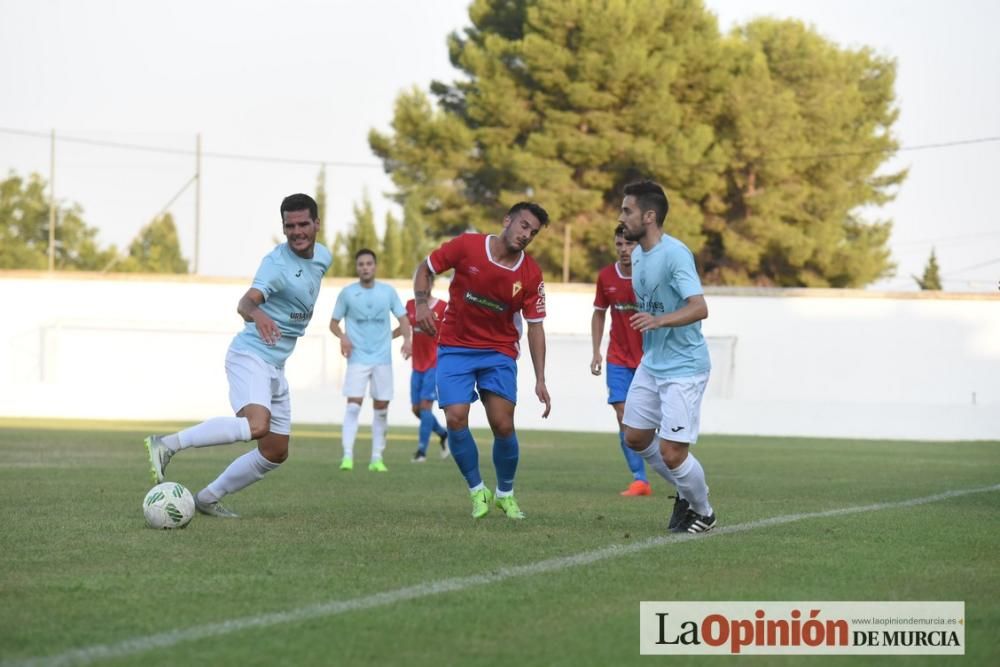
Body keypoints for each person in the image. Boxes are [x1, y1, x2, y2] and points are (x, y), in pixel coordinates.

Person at [144, 193, 331, 518]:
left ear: (317, 224)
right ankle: (166, 444)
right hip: (250, 356)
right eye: (290, 226)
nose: (297, 232)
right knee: (257, 425)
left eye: (303, 224)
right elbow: (245, 304)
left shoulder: (323, 258)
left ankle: (207, 497)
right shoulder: (276, 266)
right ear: (283, 228)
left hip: (275, 365)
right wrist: (258, 315)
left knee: (275, 452)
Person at [413, 202, 551, 520]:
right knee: (456, 418)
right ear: (507, 221)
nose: (527, 234)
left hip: (498, 351)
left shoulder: (531, 274)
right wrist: (422, 304)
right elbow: (426, 267)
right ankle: (478, 491)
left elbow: (536, 326)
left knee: (502, 424)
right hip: (455, 346)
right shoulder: (468, 246)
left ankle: (505, 493)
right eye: (523, 225)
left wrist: (540, 377)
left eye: (533, 231)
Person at [618, 180, 716, 534]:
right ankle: (686, 491)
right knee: (636, 438)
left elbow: (699, 307)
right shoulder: (639, 255)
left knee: (674, 453)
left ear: (649, 216)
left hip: (684, 368)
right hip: (652, 363)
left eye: (627, 210)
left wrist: (659, 320)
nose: (621, 217)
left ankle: (703, 510)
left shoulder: (675, 254)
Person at [329, 249, 412, 472]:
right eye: (361, 264)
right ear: (357, 268)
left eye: (369, 264)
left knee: (381, 408)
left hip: (382, 359)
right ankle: (347, 456)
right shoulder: (347, 293)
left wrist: (407, 340)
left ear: (375, 267)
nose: (365, 267)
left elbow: (403, 319)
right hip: (357, 358)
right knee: (354, 406)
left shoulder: (388, 292)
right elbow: (333, 323)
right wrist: (343, 336)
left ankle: (377, 458)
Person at [591, 223, 650, 497]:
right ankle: (640, 479)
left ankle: (668, 466)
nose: (624, 250)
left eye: (630, 244)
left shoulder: (650, 276)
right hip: (617, 358)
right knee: (623, 416)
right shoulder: (606, 277)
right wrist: (596, 351)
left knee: (649, 422)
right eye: (620, 245)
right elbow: (599, 313)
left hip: (650, 360)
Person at [401, 284, 450, 462]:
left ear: (431, 283)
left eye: (427, 281)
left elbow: (451, 330)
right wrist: (391, 337)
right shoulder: (410, 305)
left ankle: (421, 452)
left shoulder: (442, 307)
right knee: (416, 409)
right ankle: (444, 434)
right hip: (417, 365)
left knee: (425, 407)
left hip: (434, 363)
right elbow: (404, 326)